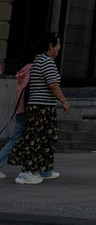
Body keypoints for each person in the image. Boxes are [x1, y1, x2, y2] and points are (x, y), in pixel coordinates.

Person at [10, 34, 69, 184]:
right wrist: (64, 101)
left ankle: (44, 169)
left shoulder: (38, 61)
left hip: (40, 106)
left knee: (47, 138)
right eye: (58, 44)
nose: (59, 48)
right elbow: (53, 85)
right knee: (37, 139)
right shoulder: (47, 62)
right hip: (42, 107)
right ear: (50, 46)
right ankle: (27, 172)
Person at [0, 60, 29, 176]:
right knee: (17, 139)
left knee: (16, 139)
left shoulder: (25, 70)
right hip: (27, 109)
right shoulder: (34, 70)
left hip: (20, 109)